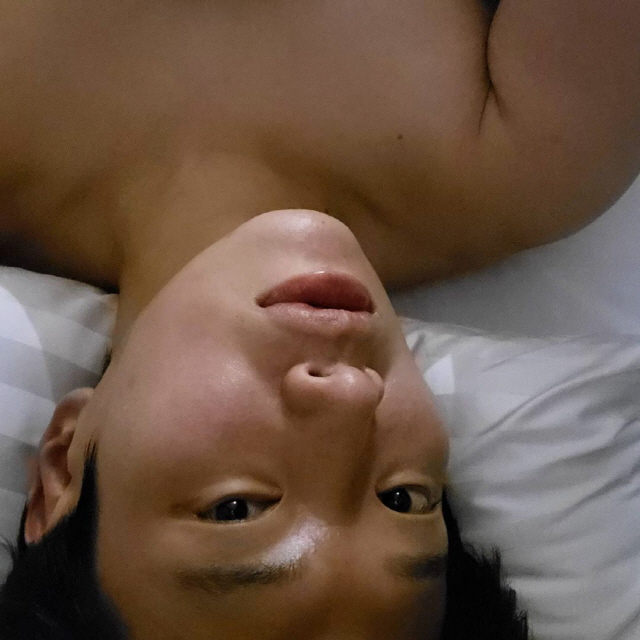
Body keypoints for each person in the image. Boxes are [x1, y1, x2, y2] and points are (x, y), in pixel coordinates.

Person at [0, 0, 638, 637]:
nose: (351, 394)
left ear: (62, 468)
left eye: (235, 509)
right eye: (402, 499)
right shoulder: (545, 142)